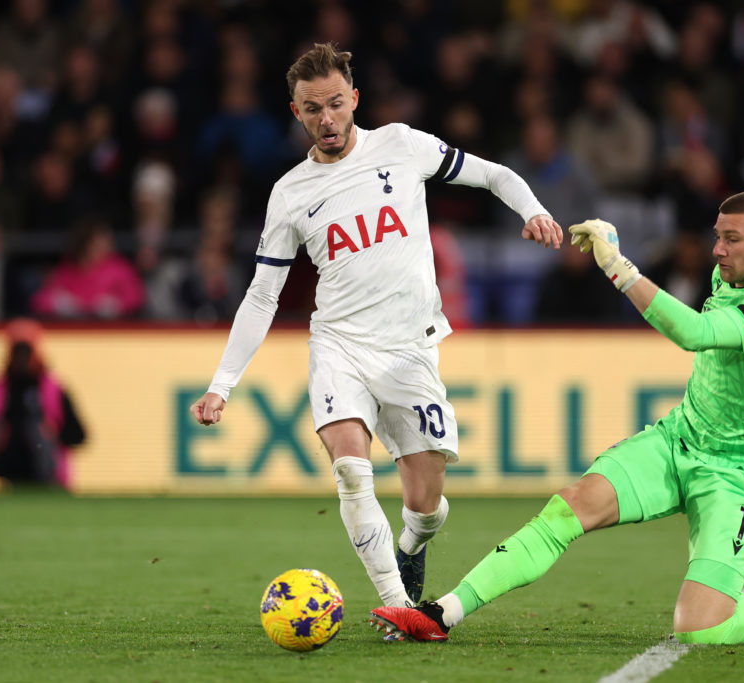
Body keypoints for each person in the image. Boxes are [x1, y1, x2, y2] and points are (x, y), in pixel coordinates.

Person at [370, 190, 744, 645]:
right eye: (718, 235)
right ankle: (440, 614)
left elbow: (697, 334)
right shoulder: (734, 272)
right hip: (680, 440)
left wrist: (618, 268)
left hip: (739, 476)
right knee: (568, 507)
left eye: (732, 239)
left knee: (703, 629)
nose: (717, 249)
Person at [189, 43, 562, 610]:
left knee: (427, 504)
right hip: (340, 344)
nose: (327, 118)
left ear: (354, 99)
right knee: (351, 472)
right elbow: (262, 294)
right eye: (312, 109)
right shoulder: (289, 194)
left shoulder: (401, 144)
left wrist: (532, 209)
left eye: (336, 103)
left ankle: (412, 544)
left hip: (411, 348)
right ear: (297, 113)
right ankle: (398, 605)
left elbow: (493, 175)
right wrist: (222, 384)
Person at [0, 319, 86, 490]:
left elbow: (78, 435)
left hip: (44, 459)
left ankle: (50, 483)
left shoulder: (53, 390)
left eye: (26, 353)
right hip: (7, 460)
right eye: (17, 353)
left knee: (37, 429)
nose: (21, 359)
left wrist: (52, 430)